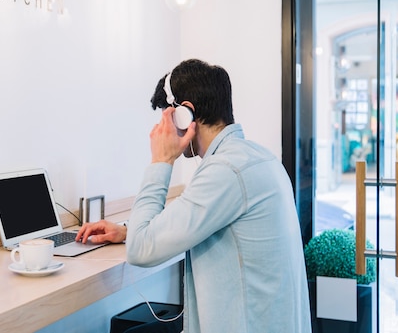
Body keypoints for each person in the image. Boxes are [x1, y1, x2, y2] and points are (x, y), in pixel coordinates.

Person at [76, 59, 311, 333]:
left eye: (166, 117)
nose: (161, 129)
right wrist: (128, 231)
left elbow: (140, 250)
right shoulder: (256, 157)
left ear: (184, 115)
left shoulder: (225, 172)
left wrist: (161, 160)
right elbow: (186, 221)